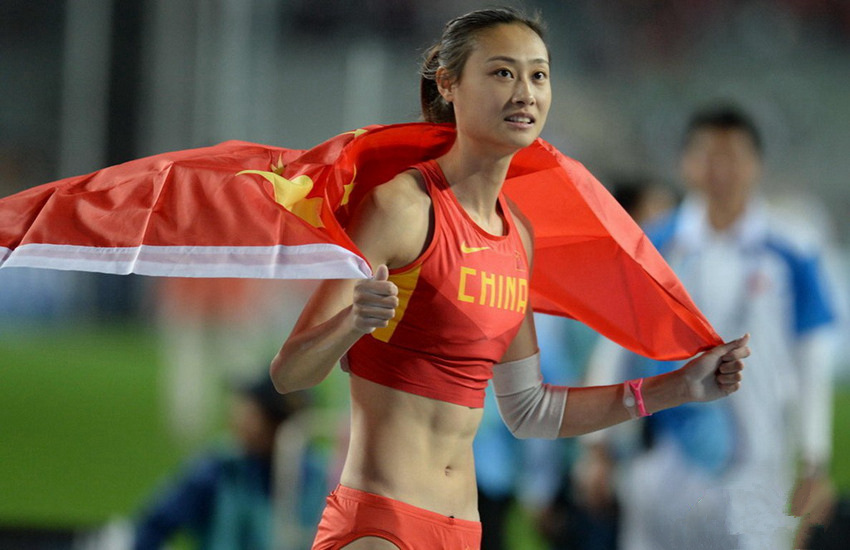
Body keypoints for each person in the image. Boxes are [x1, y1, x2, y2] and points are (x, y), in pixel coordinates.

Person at [270, 9, 749, 550]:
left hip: (464, 530)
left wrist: (678, 387)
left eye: (538, 75)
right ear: (448, 84)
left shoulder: (517, 234)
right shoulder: (401, 207)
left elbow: (530, 410)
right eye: (502, 73)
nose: (525, 93)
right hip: (381, 524)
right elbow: (290, 373)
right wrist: (353, 323)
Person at [575, 104, 839, 550]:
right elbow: (614, 345)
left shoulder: (792, 250)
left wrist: (815, 459)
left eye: (732, 155)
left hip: (759, 457)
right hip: (664, 450)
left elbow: (813, 359)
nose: (721, 169)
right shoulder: (651, 245)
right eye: (708, 155)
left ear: (755, 165)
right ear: (686, 164)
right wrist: (597, 446)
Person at [132, 374, 308, 549]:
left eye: (253, 412)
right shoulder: (218, 469)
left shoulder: (314, 476)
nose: (241, 418)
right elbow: (154, 526)